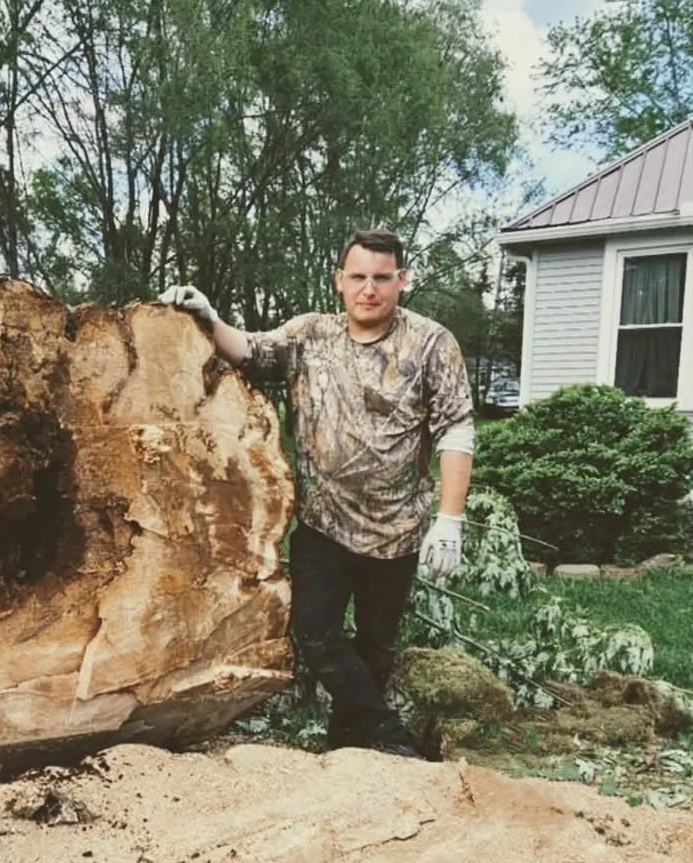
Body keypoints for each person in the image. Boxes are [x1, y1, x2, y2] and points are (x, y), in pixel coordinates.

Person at [160, 230, 473, 756]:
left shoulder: (431, 344)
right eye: (358, 277)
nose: (368, 289)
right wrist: (208, 317)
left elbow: (456, 430)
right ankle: (391, 738)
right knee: (316, 634)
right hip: (323, 527)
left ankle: (349, 750)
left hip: (397, 531)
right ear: (339, 281)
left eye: (381, 277)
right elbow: (251, 351)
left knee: (376, 647)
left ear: (402, 280)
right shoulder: (310, 335)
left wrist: (450, 519)